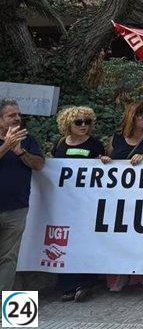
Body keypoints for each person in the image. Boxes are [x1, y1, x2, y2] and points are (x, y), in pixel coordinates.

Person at [51, 106, 106, 301]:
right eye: (79, 122)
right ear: (68, 124)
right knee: (65, 241)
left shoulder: (95, 144)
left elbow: (103, 168)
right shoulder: (60, 144)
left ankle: (86, 282)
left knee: (85, 239)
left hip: (87, 203)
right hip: (65, 202)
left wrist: (104, 161)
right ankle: (67, 285)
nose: (84, 126)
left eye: (87, 122)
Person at [106, 101, 143, 292]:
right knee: (119, 234)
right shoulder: (117, 137)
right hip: (120, 195)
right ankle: (118, 274)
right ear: (131, 117)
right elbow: (111, 157)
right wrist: (105, 160)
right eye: (140, 115)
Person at [0, 99, 45, 291]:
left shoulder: (28, 140)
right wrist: (6, 146)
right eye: (11, 115)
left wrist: (20, 152)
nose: (17, 118)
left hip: (17, 208)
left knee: (9, 257)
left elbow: (39, 165)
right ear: (0, 120)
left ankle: (3, 303)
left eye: (18, 114)